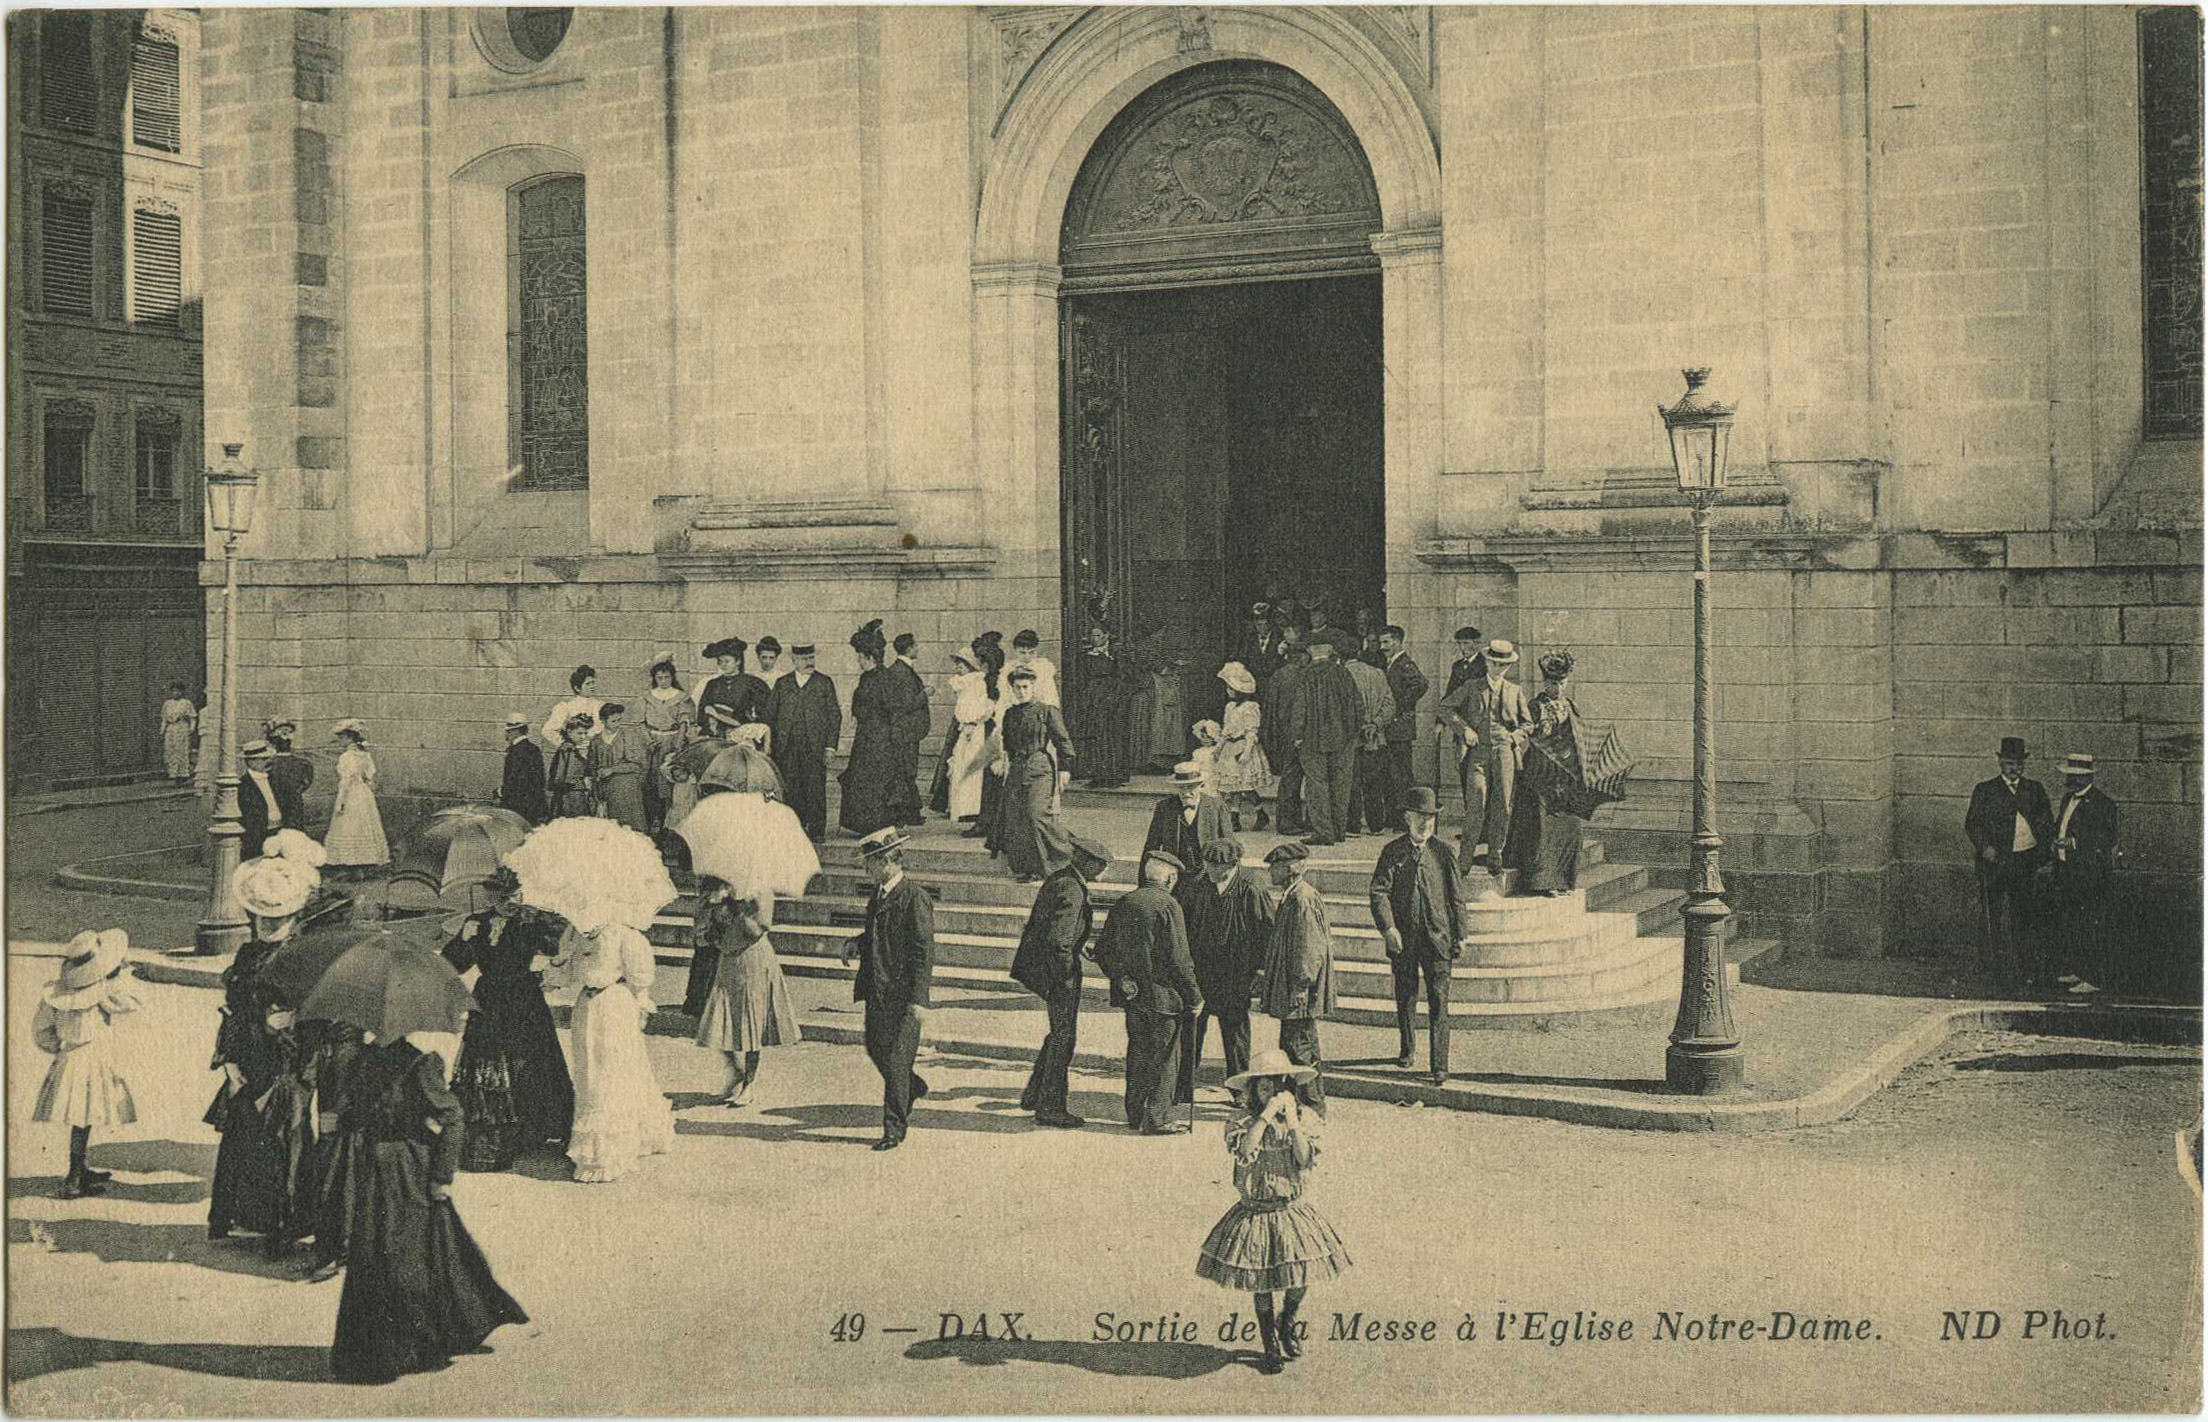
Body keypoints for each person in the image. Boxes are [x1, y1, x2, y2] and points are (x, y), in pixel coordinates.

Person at [328, 1033, 528, 1384]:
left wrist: (441, 1175)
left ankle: (413, 1346)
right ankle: (371, 1354)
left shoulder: (420, 1064)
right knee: (370, 1255)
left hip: (410, 1171)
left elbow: (453, 1116)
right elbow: (353, 1113)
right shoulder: (361, 1060)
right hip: (371, 1172)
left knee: (405, 1259)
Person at [1194, 1049, 1352, 1372]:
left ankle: (1288, 1319)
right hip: (1256, 1211)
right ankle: (1270, 1343)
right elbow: (1246, 1151)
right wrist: (1265, 1116)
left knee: (1301, 1273)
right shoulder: (1241, 1122)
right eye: (1264, 1087)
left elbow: (1305, 1159)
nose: (1271, 1093)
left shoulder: (1303, 1119)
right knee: (1262, 1279)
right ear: (1253, 1090)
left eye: (1277, 1086)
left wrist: (1292, 1121)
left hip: (1290, 1208)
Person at [208, 847, 324, 1247]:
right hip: (252, 1054)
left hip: (290, 1060)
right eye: (262, 917)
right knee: (246, 1133)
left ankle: (286, 1226)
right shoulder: (247, 954)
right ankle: (249, 1218)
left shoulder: (305, 955)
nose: (269, 925)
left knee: (287, 1139)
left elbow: (319, 1014)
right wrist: (229, 1060)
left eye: (278, 918)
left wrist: (291, 1021)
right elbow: (234, 1010)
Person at [442, 869, 574, 1170]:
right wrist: (463, 939)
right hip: (489, 999)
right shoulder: (476, 923)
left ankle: (534, 1130)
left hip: (523, 998)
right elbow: (455, 964)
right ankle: (493, 1139)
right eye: (501, 897)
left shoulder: (528, 920)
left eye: (513, 895)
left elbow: (555, 948)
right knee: (489, 1064)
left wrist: (540, 920)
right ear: (491, 897)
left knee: (527, 1060)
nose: (508, 902)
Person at [553, 916, 675, 1183]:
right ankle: (590, 1144)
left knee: (613, 1073)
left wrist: (640, 1003)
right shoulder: (574, 933)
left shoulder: (623, 935)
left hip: (614, 1005)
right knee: (589, 1072)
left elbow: (640, 976)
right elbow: (567, 974)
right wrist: (561, 962)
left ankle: (609, 1152)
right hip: (586, 1007)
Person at [1094, 851, 1202, 1135]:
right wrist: (1195, 996)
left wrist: (1121, 979)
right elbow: (1180, 960)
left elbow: (1103, 950)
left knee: (1138, 1053)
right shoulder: (1169, 905)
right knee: (1166, 1058)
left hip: (1134, 997)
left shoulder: (1125, 902)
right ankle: (1157, 1117)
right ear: (1170, 877)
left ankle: (1134, 1113)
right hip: (1165, 999)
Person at [842, 828, 935, 1151]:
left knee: (896, 1060)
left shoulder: (914, 897)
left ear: (887, 861)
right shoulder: (879, 894)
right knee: (875, 1048)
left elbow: (923, 951)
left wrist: (920, 999)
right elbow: (874, 935)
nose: (865, 869)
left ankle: (894, 1128)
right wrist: (856, 944)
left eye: (869, 863)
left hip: (904, 994)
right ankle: (912, 1086)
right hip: (877, 989)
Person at [1011, 834, 1111, 1129]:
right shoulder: (1072, 889)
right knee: (1063, 1039)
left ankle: (1034, 1093)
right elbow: (1058, 942)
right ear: (1088, 863)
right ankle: (1050, 1108)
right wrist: (1067, 976)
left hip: (1044, 968)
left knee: (1058, 1034)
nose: (1105, 873)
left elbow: (1059, 932)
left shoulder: (1063, 879)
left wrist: (1079, 945)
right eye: (1102, 866)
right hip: (1057, 974)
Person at [33, 929, 140, 1199]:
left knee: (82, 1117)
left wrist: (58, 1047)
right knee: (84, 1116)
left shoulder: (57, 995)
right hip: (92, 1059)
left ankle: (79, 1167)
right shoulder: (103, 993)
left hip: (69, 1057)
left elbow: (42, 1030)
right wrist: (117, 976)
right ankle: (74, 1177)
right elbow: (131, 1003)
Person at [1370, 787, 1465, 1084]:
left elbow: (1456, 898)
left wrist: (1461, 934)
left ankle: (1439, 1065)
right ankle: (1407, 1050)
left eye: (1430, 819)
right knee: (1406, 997)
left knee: (1439, 1003)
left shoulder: (1444, 852)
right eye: (1420, 818)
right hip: (1404, 941)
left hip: (1438, 940)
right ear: (1407, 818)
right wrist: (1389, 928)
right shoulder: (1392, 852)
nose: (1425, 824)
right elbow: (1378, 892)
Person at [693, 878, 803, 1107]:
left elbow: (758, 928)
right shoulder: (718, 885)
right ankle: (736, 1070)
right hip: (727, 959)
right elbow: (701, 927)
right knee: (720, 1019)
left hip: (753, 959)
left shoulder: (760, 889)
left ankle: (749, 1084)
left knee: (752, 1022)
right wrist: (714, 904)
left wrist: (735, 906)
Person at [1179, 838, 1270, 1097]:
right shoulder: (1196, 886)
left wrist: (1260, 970)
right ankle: (1183, 1087)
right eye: (1207, 864)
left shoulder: (1251, 888)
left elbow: (1266, 932)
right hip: (1201, 974)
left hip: (1236, 976)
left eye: (1215, 866)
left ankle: (1240, 1092)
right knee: (1192, 1031)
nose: (1209, 871)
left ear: (1231, 866)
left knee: (1236, 1037)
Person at [1964, 735, 2055, 992]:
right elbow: (1972, 823)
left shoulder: (2034, 790)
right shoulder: (1985, 790)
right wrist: (1985, 848)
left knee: (2023, 915)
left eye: (2018, 763)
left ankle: (2024, 967)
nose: (2014, 768)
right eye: (2008, 763)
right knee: (1992, 915)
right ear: (1999, 762)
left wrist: (2041, 856)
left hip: (2024, 862)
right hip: (1995, 863)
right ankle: (1992, 967)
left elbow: (2046, 822)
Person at [1438, 639, 1534, 869]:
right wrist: (1464, 730)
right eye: (1493, 663)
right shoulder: (1472, 686)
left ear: (1508, 667)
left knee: (1502, 804)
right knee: (1476, 801)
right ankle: (1465, 857)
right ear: (1487, 662)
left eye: (1502, 665)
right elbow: (1445, 708)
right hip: (1477, 753)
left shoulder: (1515, 691)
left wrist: (1515, 737)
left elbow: (1528, 724)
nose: (1497, 668)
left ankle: (1495, 856)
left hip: (1504, 753)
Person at [1505, 650, 1590, 897]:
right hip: (1541, 776)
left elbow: (1579, 740)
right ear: (1545, 682)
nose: (1558, 689)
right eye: (1553, 684)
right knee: (1542, 828)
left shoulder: (1571, 705)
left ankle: (1564, 879)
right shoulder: (1535, 706)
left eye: (1562, 683)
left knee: (1570, 826)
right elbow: (1524, 734)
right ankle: (1542, 881)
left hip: (1566, 778)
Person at [1258, 842, 1333, 1112]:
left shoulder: (1302, 898)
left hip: (1299, 991)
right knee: (1300, 1046)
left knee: (1299, 1049)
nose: (1270, 872)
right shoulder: (1296, 895)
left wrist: (1301, 985)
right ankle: (1303, 1102)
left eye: (1275, 867)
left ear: (1290, 869)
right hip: (1295, 989)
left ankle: (1311, 1105)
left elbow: (1310, 947)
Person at [2044, 752, 2119, 996]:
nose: (2069, 780)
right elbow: (2061, 826)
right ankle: (2077, 970)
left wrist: (2074, 843)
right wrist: (2056, 842)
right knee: (2072, 924)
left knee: (2090, 926)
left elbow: (2106, 838)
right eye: (2069, 776)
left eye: (2074, 776)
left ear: (2087, 777)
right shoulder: (2067, 799)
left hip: (2089, 876)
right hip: (2067, 873)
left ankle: (2093, 976)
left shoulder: (2103, 804)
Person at [994, 666, 1078, 881]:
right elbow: (1008, 746)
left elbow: (1063, 742)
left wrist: (1065, 769)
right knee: (1016, 819)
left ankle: (1066, 857)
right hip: (1017, 770)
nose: (1022, 691)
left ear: (1032, 687)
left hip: (1041, 769)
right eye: (1017, 687)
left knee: (1035, 816)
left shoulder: (1046, 711)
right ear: (1011, 689)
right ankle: (1027, 868)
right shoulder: (1009, 714)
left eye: (1025, 687)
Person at [841, 620, 921, 837]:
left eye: (859, 655)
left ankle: (878, 823)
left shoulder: (885, 678)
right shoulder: (866, 677)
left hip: (881, 739)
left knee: (877, 780)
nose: (857, 659)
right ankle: (866, 823)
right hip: (867, 736)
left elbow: (895, 708)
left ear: (868, 656)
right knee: (863, 779)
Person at [1293, 631, 1364, 847]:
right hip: (1343, 739)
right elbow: (1358, 706)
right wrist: (1352, 733)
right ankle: (1339, 830)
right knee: (1341, 785)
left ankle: (1324, 832)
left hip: (1312, 740)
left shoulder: (1305, 674)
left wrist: (1297, 735)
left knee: (1317, 786)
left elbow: (1299, 709)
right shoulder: (1343, 673)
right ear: (1329, 650)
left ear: (1311, 650)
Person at [767, 643, 842, 841]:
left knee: (815, 788)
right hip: (787, 747)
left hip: (815, 747)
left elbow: (835, 716)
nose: (809, 662)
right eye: (804, 659)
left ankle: (816, 831)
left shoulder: (824, 682)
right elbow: (770, 716)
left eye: (811, 658)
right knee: (792, 788)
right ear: (794, 660)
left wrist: (830, 746)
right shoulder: (783, 683)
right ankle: (795, 828)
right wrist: (770, 746)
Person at [1341, 642, 1397, 836]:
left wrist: (1360, 726)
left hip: (1352, 739)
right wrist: (1375, 724)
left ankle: (1353, 825)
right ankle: (1376, 825)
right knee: (1374, 783)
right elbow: (1390, 705)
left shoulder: (1342, 674)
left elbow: (1344, 710)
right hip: (1376, 738)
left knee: (1352, 783)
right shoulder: (1379, 674)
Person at [1144, 761, 1230, 883]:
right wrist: (1144, 884)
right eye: (1181, 787)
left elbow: (1229, 847)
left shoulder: (1217, 807)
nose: (1185, 793)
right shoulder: (1164, 807)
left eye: (1190, 787)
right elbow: (1151, 845)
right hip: (1175, 878)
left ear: (1201, 785)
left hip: (1207, 877)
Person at [322, 720, 389, 876]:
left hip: (351, 793)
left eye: (341, 738)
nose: (340, 741)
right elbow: (370, 777)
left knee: (349, 824)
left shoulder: (346, 756)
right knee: (362, 824)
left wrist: (341, 801)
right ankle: (362, 860)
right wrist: (368, 788)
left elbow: (346, 781)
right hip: (363, 793)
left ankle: (351, 863)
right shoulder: (364, 755)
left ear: (349, 738)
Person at [1377, 625, 1427, 830]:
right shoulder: (1391, 663)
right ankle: (1395, 816)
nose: (1383, 647)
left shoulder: (1405, 663)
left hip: (1400, 728)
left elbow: (1421, 685)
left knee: (1401, 774)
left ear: (1397, 642)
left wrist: (1399, 708)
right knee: (1391, 773)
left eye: (1386, 642)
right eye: (1381, 643)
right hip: (1393, 728)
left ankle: (1406, 819)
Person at [1214, 662, 1272, 831]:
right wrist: (1218, 748)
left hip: (1243, 747)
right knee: (1233, 787)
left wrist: (1247, 752)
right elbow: (1226, 730)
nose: (1227, 690)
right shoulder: (1230, 707)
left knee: (1245, 787)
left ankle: (1260, 813)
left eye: (1229, 687)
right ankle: (1234, 818)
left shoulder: (1250, 708)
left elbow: (1251, 732)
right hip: (1230, 749)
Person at [1074, 623, 1133, 788]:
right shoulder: (1087, 655)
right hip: (1094, 699)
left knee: (1112, 737)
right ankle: (1098, 775)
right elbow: (1083, 679)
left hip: (1112, 699)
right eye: (1092, 636)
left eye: (1098, 635)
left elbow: (1123, 678)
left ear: (1107, 636)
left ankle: (1115, 775)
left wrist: (1114, 698)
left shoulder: (1117, 654)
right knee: (1096, 736)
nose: (1095, 639)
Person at [639, 654, 693, 836]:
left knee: (670, 782)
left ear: (673, 677)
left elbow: (685, 723)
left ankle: (669, 827)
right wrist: (648, 741)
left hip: (672, 741)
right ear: (654, 678)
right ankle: (653, 823)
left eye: (667, 677)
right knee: (651, 782)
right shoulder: (647, 697)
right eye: (659, 678)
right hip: (652, 743)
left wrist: (677, 746)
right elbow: (640, 723)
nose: (663, 681)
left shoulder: (681, 697)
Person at [1261, 627, 1308, 834]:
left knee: (1290, 779)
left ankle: (1290, 820)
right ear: (1301, 657)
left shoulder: (1278, 675)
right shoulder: (1300, 677)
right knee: (1294, 779)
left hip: (1281, 734)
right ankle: (1289, 822)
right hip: (1297, 735)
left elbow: (1270, 710)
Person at [942, 649, 996, 823]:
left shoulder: (976, 682)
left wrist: (972, 723)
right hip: (966, 727)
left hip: (974, 728)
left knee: (971, 766)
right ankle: (963, 807)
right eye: (957, 663)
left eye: (962, 663)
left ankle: (972, 808)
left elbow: (981, 706)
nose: (958, 667)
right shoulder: (964, 684)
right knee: (961, 765)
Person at [887, 632, 932, 827]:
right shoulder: (901, 671)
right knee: (905, 771)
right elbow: (907, 704)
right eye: (916, 645)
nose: (918, 648)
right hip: (905, 732)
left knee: (907, 771)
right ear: (909, 648)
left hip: (907, 731)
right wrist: (925, 693)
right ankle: (904, 814)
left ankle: (911, 812)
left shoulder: (901, 669)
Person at [590, 703, 651, 833]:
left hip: (626, 785)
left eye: (619, 720)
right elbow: (592, 766)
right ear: (602, 720)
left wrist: (612, 770)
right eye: (613, 721)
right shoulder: (595, 741)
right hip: (605, 787)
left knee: (629, 825)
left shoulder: (628, 737)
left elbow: (638, 764)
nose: (617, 724)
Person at [695, 638, 769, 738]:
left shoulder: (753, 683)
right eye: (720, 661)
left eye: (727, 661)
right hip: (714, 733)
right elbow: (702, 711)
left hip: (743, 733)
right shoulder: (712, 684)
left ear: (737, 661)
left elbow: (764, 713)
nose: (723, 665)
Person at [264, 718, 315, 831]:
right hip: (294, 805)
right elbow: (305, 784)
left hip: (275, 804)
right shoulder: (303, 764)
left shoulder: (269, 764)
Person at [546, 714, 598, 818]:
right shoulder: (567, 750)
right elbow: (561, 777)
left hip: (578, 795)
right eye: (579, 733)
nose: (583, 737)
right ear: (569, 733)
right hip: (570, 797)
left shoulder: (575, 750)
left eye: (585, 733)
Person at [499, 713, 547, 824]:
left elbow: (515, 779)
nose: (506, 734)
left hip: (517, 804)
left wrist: (502, 792)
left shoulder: (516, 751)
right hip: (533, 805)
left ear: (515, 731)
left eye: (508, 731)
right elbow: (539, 780)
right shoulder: (534, 749)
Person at [238, 740, 284, 855]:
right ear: (250, 762)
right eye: (263, 759)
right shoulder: (243, 785)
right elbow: (248, 816)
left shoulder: (273, 779)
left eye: (268, 758)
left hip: (279, 831)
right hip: (259, 836)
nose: (268, 761)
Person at [543, 665, 603, 746]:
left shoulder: (600, 705)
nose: (592, 686)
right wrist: (566, 744)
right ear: (577, 688)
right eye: (588, 684)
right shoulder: (566, 707)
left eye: (593, 682)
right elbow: (547, 731)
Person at [1009, 629, 1061, 707]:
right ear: (1015, 651)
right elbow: (1005, 699)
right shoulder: (1009, 670)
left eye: (1031, 652)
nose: (1027, 657)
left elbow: (1050, 698)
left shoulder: (1043, 669)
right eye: (1022, 652)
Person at [160, 683, 198, 783]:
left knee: (182, 749)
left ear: (182, 692)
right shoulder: (167, 703)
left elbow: (192, 717)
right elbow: (164, 718)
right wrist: (162, 730)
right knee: (171, 749)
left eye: (178, 691)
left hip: (182, 726)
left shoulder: (186, 703)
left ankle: (183, 773)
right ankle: (172, 772)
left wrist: (191, 728)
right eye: (174, 691)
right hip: (171, 728)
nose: (176, 693)